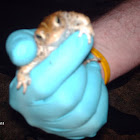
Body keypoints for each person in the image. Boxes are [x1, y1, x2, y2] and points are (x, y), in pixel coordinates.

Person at [6, 0, 140, 139]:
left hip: (94, 18)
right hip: (19, 23)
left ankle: (100, 108)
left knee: (87, 93)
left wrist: (97, 55)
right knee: (41, 99)